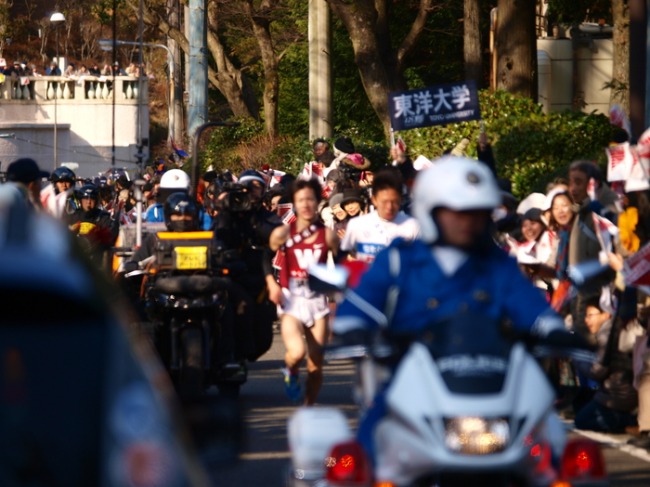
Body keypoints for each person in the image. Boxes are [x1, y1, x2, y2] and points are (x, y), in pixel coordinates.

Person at [333, 156, 581, 462]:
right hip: (411, 381)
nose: (468, 221)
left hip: (494, 381)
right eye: (457, 212)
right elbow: (357, 308)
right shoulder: (399, 260)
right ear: (431, 210)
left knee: (554, 452)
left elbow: (531, 308)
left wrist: (557, 332)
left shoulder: (497, 265)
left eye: (476, 213)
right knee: (366, 454)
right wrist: (355, 330)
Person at [269, 178, 339, 404]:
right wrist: (271, 283)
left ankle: (308, 406)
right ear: (294, 204)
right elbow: (263, 255)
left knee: (316, 362)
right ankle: (290, 371)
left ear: (318, 202)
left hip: (317, 301)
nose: (306, 205)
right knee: (297, 352)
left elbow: (340, 263)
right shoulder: (283, 233)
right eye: (301, 200)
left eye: (311, 199)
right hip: (292, 300)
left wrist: (336, 291)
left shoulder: (327, 235)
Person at [574, 297, 638, 433]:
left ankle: (625, 423)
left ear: (606, 314)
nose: (586, 320)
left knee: (581, 420)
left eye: (591, 315)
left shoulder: (606, 333)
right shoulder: (615, 327)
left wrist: (579, 359)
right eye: (586, 316)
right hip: (625, 392)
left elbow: (597, 371)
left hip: (616, 394)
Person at [339, 168, 419, 264]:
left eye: (394, 201)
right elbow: (344, 259)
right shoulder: (356, 225)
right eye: (384, 202)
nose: (389, 207)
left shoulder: (413, 226)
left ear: (400, 199)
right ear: (374, 200)